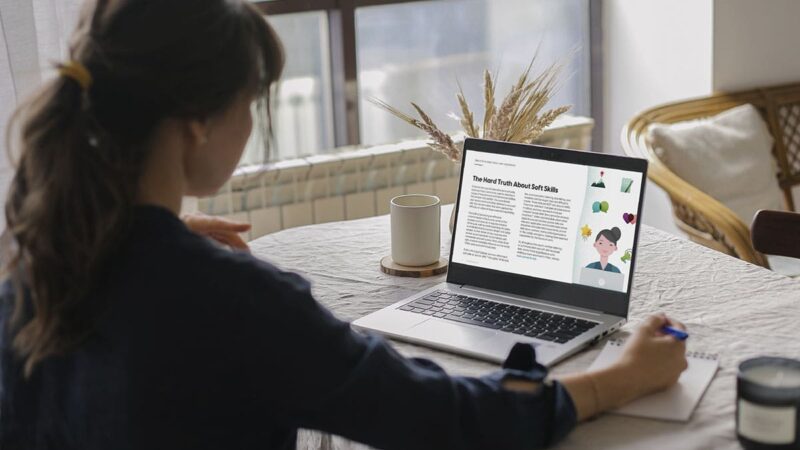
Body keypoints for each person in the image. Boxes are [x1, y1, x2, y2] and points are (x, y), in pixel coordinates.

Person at [0, 1, 687, 449]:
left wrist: (158, 244)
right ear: (198, 122)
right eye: (251, 103)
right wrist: (616, 379)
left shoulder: (35, 261)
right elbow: (443, 419)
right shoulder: (237, 300)